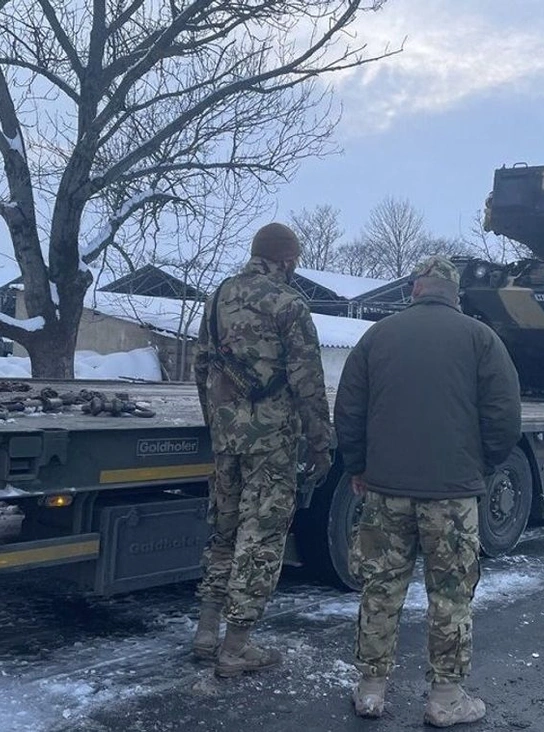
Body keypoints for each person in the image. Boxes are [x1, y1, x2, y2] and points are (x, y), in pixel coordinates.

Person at [334, 255, 522, 726]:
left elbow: (349, 408)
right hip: (453, 497)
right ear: (454, 295)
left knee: (380, 588)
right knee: (451, 595)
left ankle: (371, 690)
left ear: (416, 290)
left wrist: (358, 465)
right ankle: (445, 699)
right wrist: (482, 465)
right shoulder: (482, 339)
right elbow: (504, 415)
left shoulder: (378, 335)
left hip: (384, 491)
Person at [191, 223, 334, 678]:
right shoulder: (290, 304)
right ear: (287, 260)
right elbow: (308, 380)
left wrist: (214, 422)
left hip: (227, 436)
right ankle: (236, 647)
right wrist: (320, 443)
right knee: (262, 537)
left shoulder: (219, 296)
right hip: (271, 442)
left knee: (225, 531)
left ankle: (206, 632)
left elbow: (201, 366)